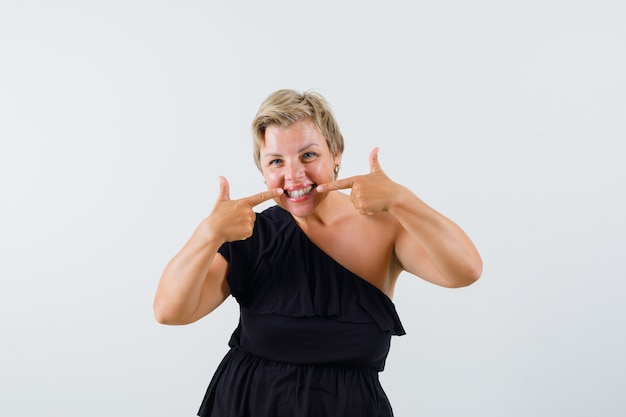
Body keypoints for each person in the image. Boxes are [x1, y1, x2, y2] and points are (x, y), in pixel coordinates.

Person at [153, 89, 482, 417]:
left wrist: (401, 199)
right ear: (263, 170)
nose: (294, 175)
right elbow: (170, 312)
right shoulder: (250, 233)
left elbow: (466, 270)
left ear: (335, 154)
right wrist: (207, 234)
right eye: (276, 161)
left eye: (308, 155)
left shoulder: (386, 229)